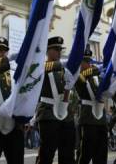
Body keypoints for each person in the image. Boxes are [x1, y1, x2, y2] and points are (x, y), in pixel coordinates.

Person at [36, 36, 75, 164]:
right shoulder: (41, 67)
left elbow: (66, 91)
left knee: (68, 154)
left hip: (65, 114)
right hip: (48, 113)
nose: (59, 52)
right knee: (46, 155)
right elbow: (45, 68)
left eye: (60, 50)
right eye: (56, 49)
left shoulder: (63, 69)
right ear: (47, 51)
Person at [75, 48, 107, 164]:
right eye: (85, 61)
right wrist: (95, 70)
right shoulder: (78, 76)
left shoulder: (97, 76)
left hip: (101, 120)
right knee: (85, 155)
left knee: (101, 155)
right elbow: (80, 80)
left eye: (89, 61)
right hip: (88, 119)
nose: (88, 64)